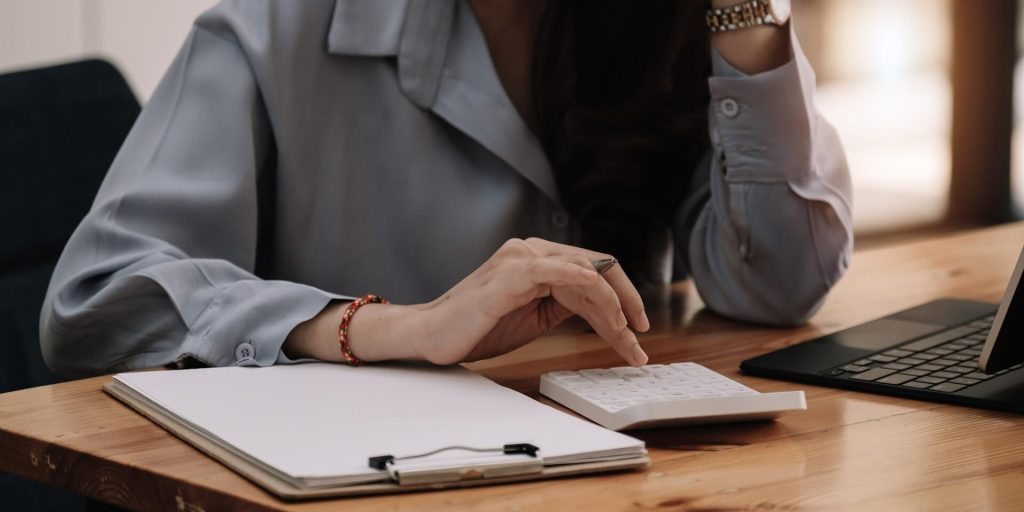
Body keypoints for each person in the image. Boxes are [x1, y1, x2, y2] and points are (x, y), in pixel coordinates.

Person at [40, 0, 851, 376]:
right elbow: (96, 302)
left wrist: (749, 10)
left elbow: (777, 285)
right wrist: (402, 328)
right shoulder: (271, 28)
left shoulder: (664, 21)